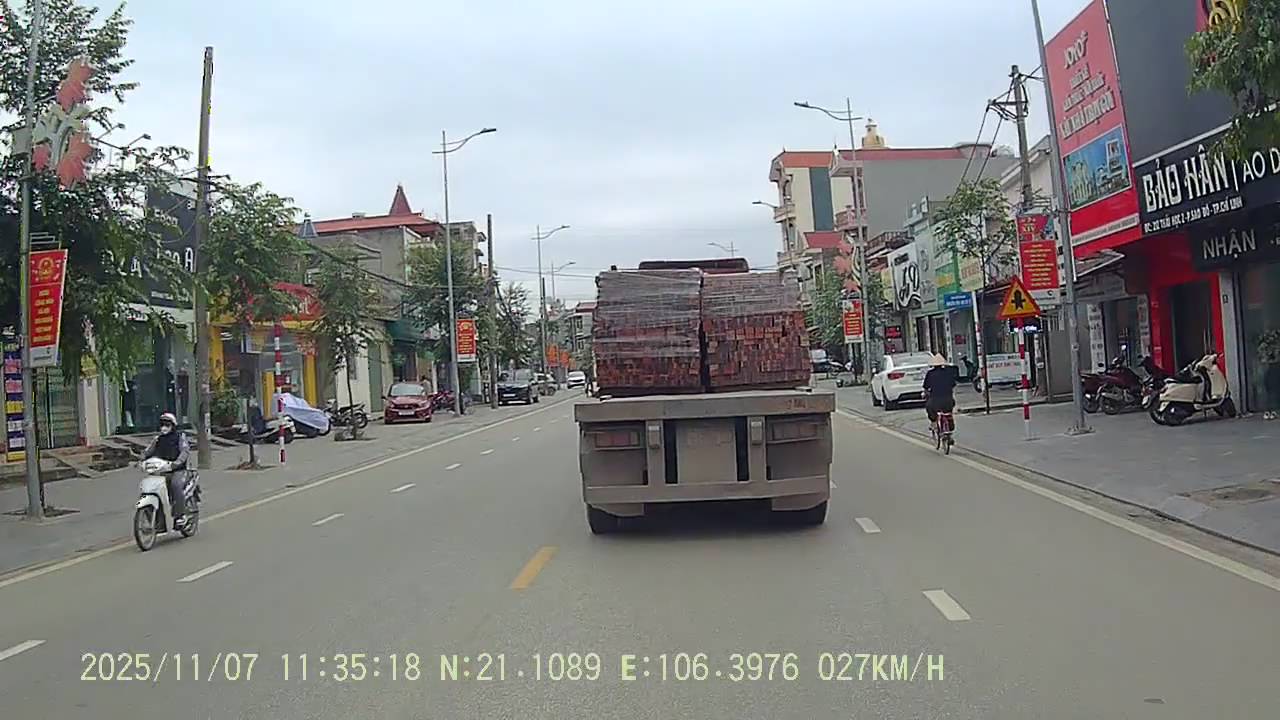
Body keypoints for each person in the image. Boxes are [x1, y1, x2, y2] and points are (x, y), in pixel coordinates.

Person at [143, 412, 191, 526]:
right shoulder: (158, 439)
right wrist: (140, 459)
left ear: (173, 426)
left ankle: (180, 515)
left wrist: (177, 463)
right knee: (152, 487)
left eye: (167, 425)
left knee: (175, 485)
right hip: (161, 471)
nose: (164, 427)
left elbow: (185, 451)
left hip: (177, 470)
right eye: (162, 425)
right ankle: (158, 522)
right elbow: (148, 451)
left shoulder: (180, 437)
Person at [922, 354, 958, 427]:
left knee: (929, 408)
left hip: (935, 401)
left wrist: (926, 394)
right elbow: (953, 384)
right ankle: (949, 418)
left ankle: (934, 422)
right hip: (948, 400)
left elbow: (926, 387)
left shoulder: (930, 373)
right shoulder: (948, 372)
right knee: (949, 409)